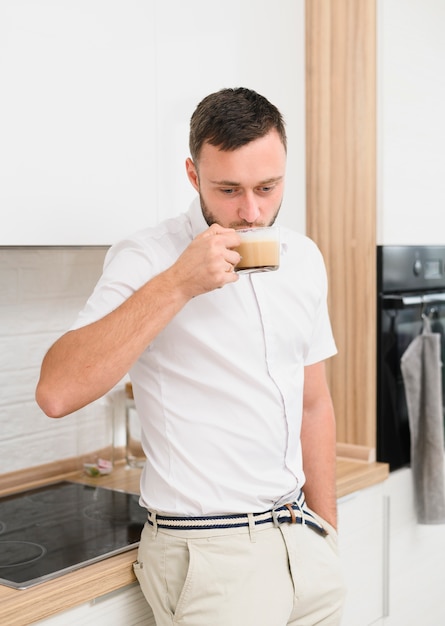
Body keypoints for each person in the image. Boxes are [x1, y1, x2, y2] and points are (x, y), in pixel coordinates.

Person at [36, 87, 346, 626]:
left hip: (304, 548)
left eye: (268, 188)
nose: (251, 212)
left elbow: (314, 404)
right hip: (211, 559)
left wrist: (328, 538)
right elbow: (57, 391)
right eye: (228, 189)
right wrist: (177, 284)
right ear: (192, 173)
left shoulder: (304, 258)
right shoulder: (148, 256)